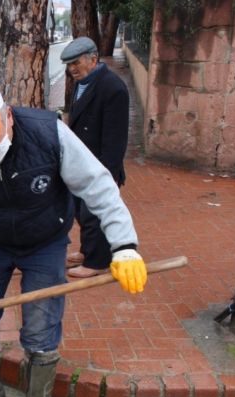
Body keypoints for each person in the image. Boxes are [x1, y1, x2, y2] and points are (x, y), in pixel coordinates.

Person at [0, 80, 147, 397]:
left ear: (7, 116)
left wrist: (124, 246)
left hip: (45, 240)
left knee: (40, 328)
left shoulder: (48, 134)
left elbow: (97, 185)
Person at [61, 36, 130, 278]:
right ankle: (88, 250)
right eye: (68, 65)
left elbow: (115, 140)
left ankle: (98, 262)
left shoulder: (113, 88)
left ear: (93, 59)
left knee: (95, 213)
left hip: (101, 164)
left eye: (76, 63)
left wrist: (106, 174)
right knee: (81, 210)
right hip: (81, 161)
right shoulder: (81, 82)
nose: (72, 70)